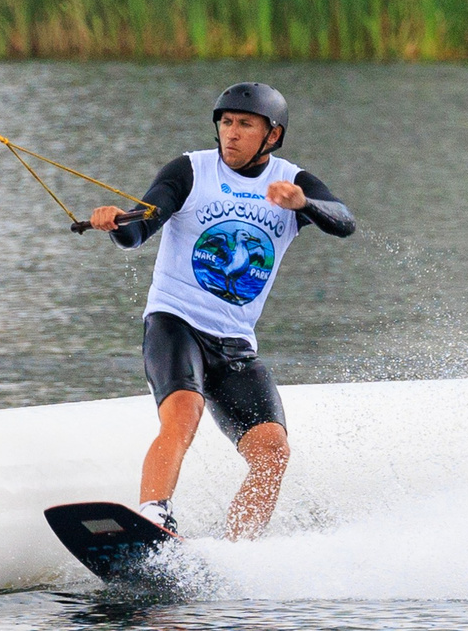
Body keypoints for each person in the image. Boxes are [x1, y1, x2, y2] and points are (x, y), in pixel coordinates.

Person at [84, 81, 355, 541]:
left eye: (245, 125)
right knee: (184, 413)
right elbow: (140, 228)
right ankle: (154, 514)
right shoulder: (190, 171)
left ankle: (237, 551)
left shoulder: (291, 181)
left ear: (272, 135)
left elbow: (344, 221)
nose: (231, 133)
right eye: (226, 123)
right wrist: (116, 224)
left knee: (273, 451)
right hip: (175, 323)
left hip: (235, 344)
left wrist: (303, 203)